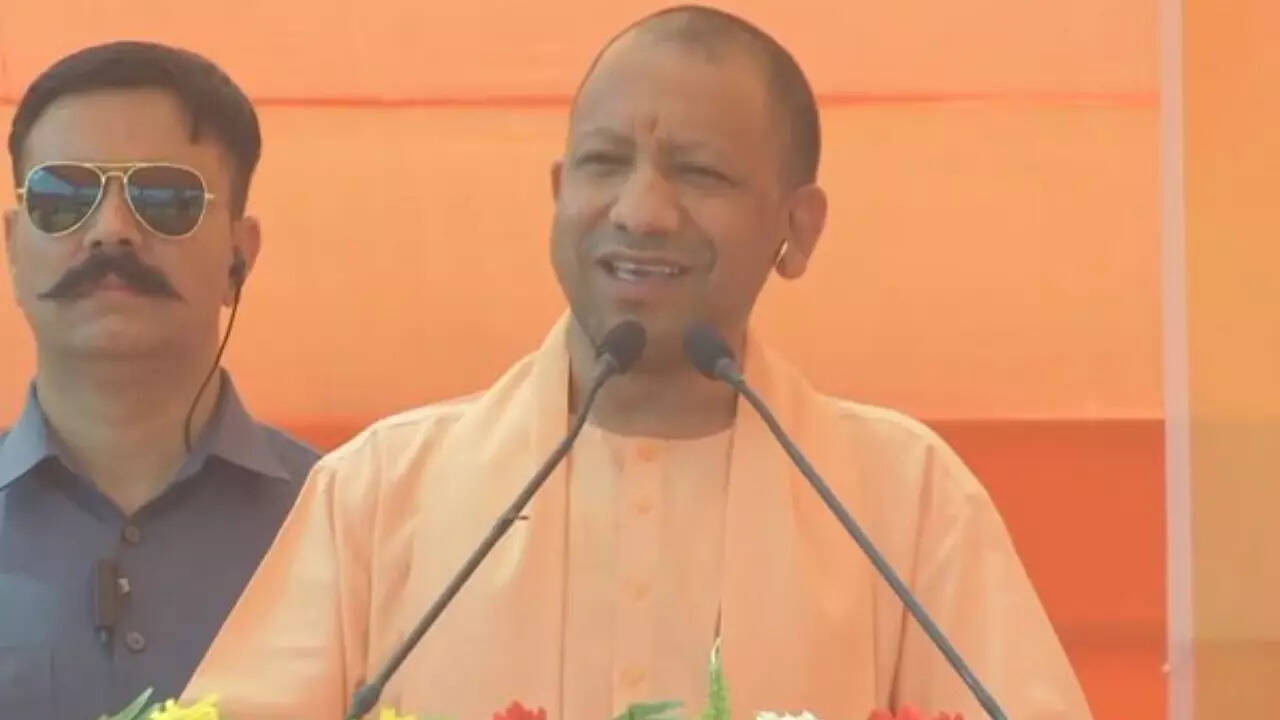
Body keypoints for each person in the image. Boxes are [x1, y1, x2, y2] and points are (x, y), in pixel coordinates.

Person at [188, 7, 1092, 718]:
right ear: (558, 195)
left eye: (699, 173)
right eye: (603, 163)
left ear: (798, 228)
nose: (641, 211)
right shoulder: (380, 491)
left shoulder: (904, 499)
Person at [0, 42, 318, 718]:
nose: (111, 232)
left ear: (239, 254)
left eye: (164, 199)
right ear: (13, 249)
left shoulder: (341, 521)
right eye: (63, 198)